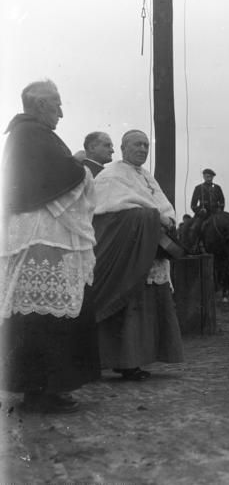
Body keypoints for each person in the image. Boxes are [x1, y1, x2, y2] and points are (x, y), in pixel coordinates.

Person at [0, 79, 99, 413]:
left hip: (47, 235)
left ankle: (49, 387)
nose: (61, 109)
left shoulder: (32, 134)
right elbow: (55, 177)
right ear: (40, 104)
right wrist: (81, 166)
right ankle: (38, 391)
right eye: (56, 103)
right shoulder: (29, 135)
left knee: (48, 316)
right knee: (40, 316)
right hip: (40, 237)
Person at [87, 129, 184, 381]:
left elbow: (161, 204)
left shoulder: (147, 176)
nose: (142, 149)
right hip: (128, 258)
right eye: (136, 145)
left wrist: (168, 219)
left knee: (148, 308)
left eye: (145, 145)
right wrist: (154, 218)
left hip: (150, 251)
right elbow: (109, 216)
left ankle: (139, 360)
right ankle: (125, 362)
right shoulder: (110, 177)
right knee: (129, 309)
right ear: (123, 148)